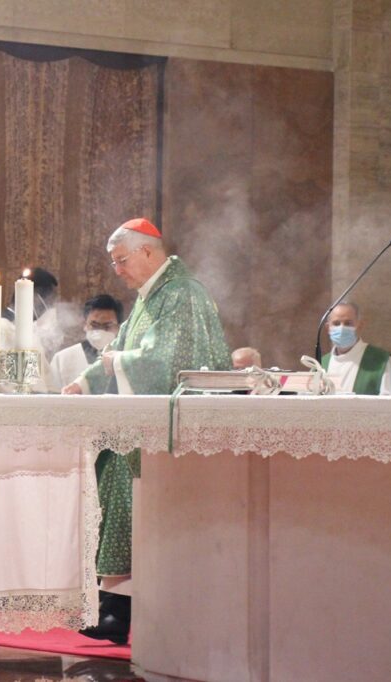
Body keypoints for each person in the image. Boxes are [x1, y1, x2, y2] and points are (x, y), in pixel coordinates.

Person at [62, 217, 230, 644]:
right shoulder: (151, 296)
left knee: (135, 505)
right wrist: (82, 383)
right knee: (118, 493)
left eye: (121, 260)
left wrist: (113, 363)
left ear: (148, 252)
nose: (117, 270)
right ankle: (114, 606)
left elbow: (165, 361)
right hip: (142, 432)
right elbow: (120, 351)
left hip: (174, 434)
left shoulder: (181, 294)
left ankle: (123, 611)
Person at [0, 267, 60, 392]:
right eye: (50, 300)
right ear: (34, 297)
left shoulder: (27, 332)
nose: (50, 307)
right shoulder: (2, 329)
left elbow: (46, 380)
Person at [320, 301, 391, 395]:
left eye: (348, 323)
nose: (342, 328)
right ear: (328, 328)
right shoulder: (320, 365)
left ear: (360, 326)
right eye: (336, 323)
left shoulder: (381, 361)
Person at [50, 295, 124, 388]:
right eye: (95, 325)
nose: (100, 331)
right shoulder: (62, 359)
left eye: (108, 326)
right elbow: (51, 394)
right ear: (85, 325)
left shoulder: (124, 359)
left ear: (119, 327)